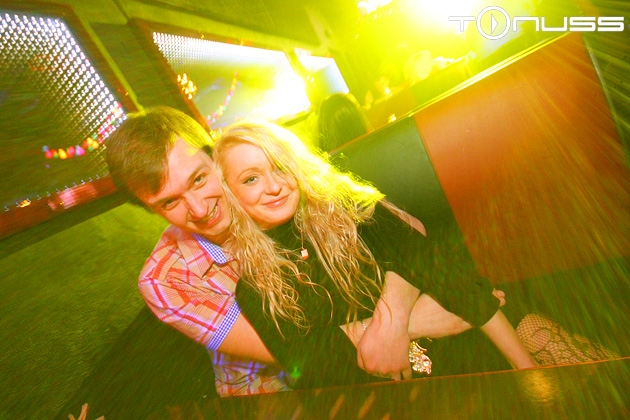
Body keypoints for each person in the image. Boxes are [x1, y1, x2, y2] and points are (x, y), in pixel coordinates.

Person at [104, 106, 476, 396]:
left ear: (215, 155)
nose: (200, 210)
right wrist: (414, 320)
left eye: (199, 179)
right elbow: (294, 354)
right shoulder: (165, 280)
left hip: (382, 347)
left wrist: (394, 318)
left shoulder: (273, 186)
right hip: (281, 395)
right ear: (152, 210)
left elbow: (408, 230)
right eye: (169, 202)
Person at [213, 119, 538, 389]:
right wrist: (413, 322)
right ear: (230, 193)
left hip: (466, 356)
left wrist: (529, 371)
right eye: (251, 179)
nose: (274, 186)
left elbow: (456, 280)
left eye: (281, 167)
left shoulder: (351, 210)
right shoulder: (254, 291)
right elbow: (316, 371)